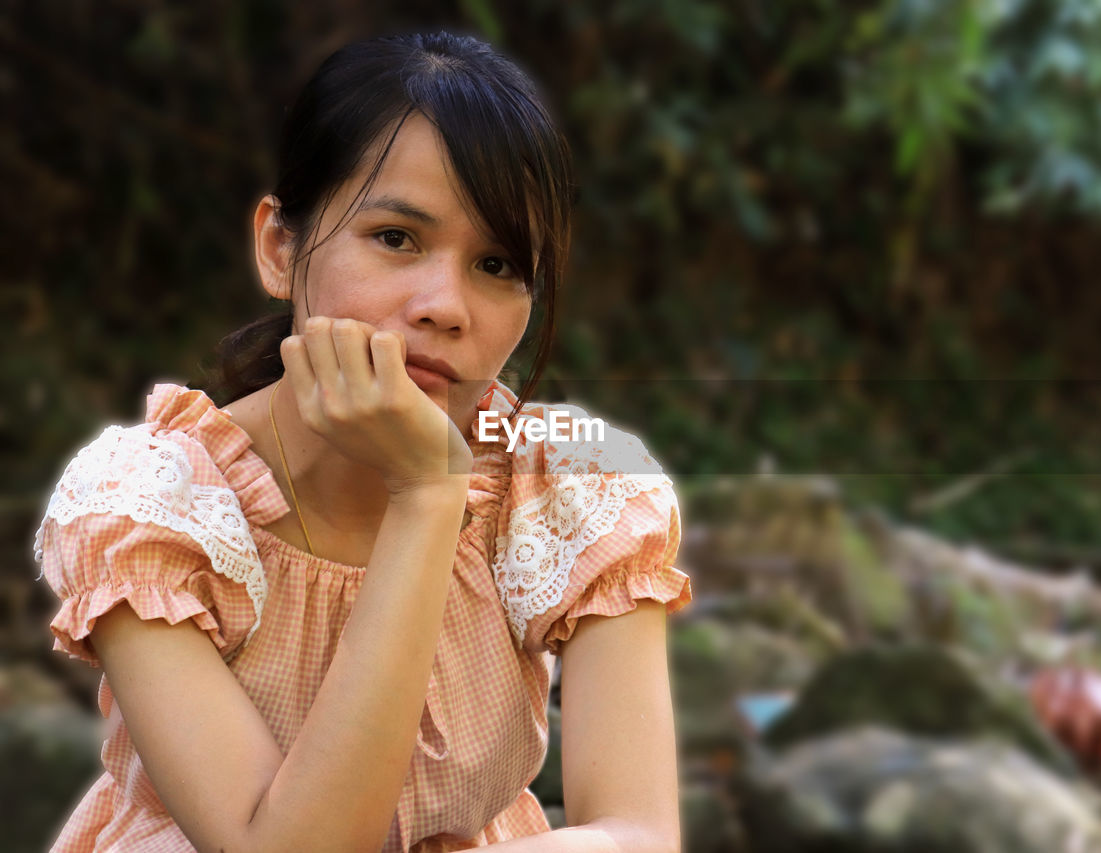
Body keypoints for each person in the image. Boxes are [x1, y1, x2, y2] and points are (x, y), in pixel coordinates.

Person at [32, 31, 691, 853]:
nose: (444, 304)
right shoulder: (154, 505)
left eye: (497, 263)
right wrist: (426, 494)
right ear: (281, 247)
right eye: (396, 238)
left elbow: (638, 830)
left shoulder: (568, 485)